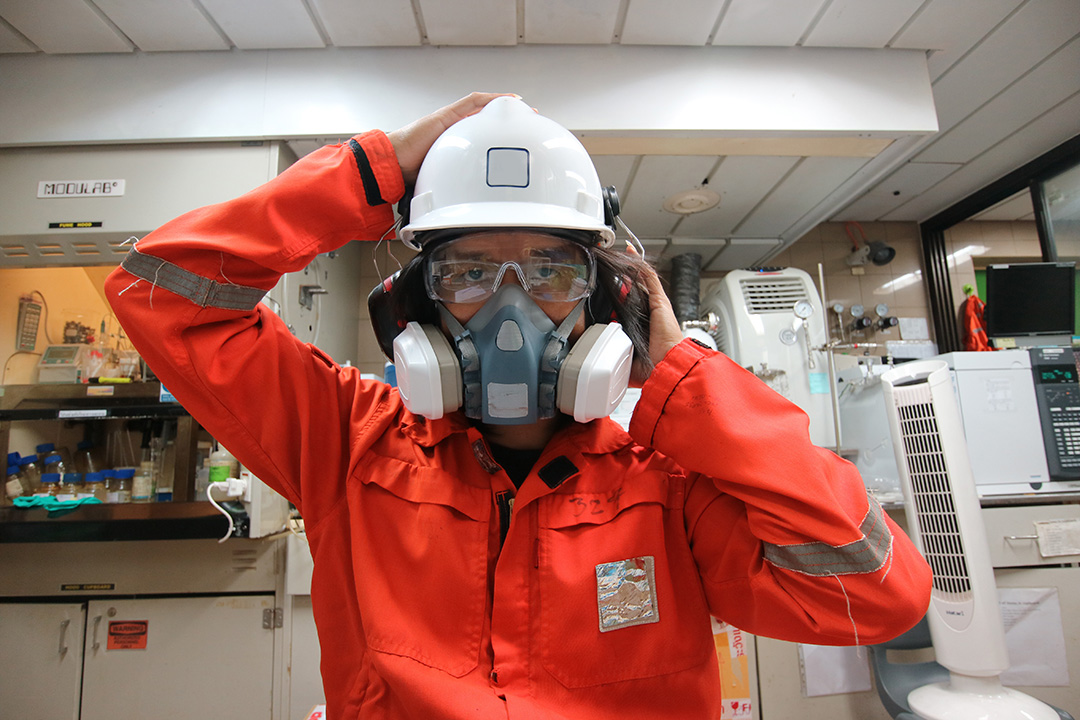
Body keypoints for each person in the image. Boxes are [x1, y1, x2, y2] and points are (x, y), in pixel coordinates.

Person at [105, 92, 931, 719]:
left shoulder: (672, 478)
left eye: (551, 270)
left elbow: (878, 593)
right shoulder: (347, 442)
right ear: (414, 310)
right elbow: (160, 293)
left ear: (607, 305)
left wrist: (687, 378)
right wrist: (371, 169)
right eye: (466, 271)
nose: (513, 308)